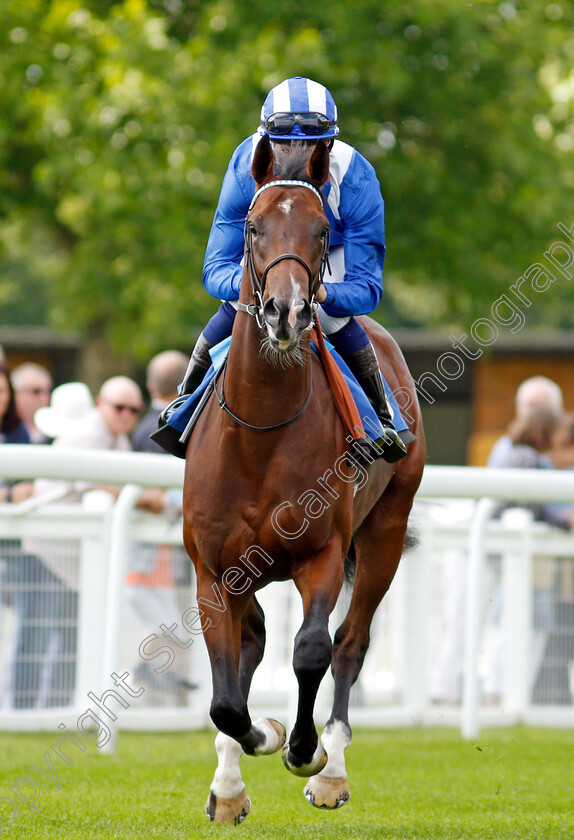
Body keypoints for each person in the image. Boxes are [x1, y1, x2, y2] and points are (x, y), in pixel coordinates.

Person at [158, 76, 407, 463]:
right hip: (267, 253)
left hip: (326, 255)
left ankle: (381, 419)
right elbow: (215, 268)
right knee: (233, 309)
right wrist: (254, 288)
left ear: (328, 144)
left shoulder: (356, 177)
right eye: (284, 143)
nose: (293, 153)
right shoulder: (246, 165)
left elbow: (367, 287)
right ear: (266, 140)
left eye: (307, 145)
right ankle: (185, 403)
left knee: (330, 316)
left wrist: (322, 293)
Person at [129, 351, 196, 703]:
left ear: (150, 385)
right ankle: (145, 674)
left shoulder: (142, 426)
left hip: (159, 544)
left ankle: (162, 678)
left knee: (171, 623)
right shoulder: (175, 425)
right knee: (167, 625)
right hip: (150, 545)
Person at [11, 362, 53, 444]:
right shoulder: (5, 431)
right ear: (16, 394)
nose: (44, 397)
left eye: (48, 390)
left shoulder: (57, 430)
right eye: (36, 391)